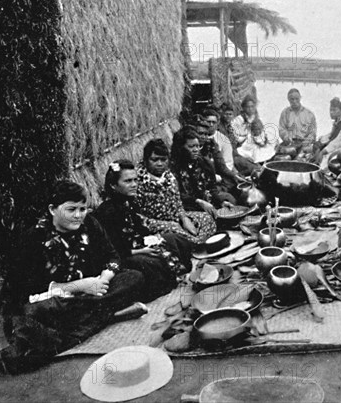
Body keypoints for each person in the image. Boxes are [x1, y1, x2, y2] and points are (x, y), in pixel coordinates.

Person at [0, 181, 145, 374]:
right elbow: (28, 292)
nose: (78, 215)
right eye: (71, 209)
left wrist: (103, 279)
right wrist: (79, 286)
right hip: (50, 299)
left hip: (90, 294)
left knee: (134, 277)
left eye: (83, 209)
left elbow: (113, 257)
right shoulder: (34, 238)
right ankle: (105, 316)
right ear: (52, 209)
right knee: (35, 314)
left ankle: (94, 317)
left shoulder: (89, 223)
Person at [94, 160, 192, 302]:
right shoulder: (107, 212)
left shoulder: (129, 202)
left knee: (176, 239)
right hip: (124, 255)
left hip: (137, 244)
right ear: (113, 185)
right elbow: (113, 250)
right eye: (128, 181)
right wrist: (142, 250)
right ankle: (165, 283)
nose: (134, 184)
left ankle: (181, 273)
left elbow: (140, 230)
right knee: (151, 262)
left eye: (135, 180)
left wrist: (152, 240)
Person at [134, 139, 217, 245]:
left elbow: (177, 203)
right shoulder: (137, 182)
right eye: (154, 160)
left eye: (163, 160)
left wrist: (184, 218)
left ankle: (195, 242)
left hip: (176, 218)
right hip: (156, 226)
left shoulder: (169, 177)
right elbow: (138, 217)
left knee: (207, 219)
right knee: (178, 234)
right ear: (145, 160)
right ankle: (195, 243)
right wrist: (168, 225)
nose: (159, 164)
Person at [171, 126, 236, 217]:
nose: (196, 150)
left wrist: (220, 202)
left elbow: (211, 189)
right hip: (185, 206)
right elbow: (176, 195)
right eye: (191, 146)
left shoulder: (204, 163)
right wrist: (198, 202)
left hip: (205, 201)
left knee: (228, 203)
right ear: (180, 147)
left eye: (198, 146)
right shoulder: (173, 167)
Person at [217, 102, 260, 176]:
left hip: (236, 154)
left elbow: (236, 143)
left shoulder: (230, 127)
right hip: (229, 158)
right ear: (222, 114)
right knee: (255, 170)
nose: (228, 116)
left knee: (257, 166)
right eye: (226, 114)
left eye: (230, 114)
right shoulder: (219, 128)